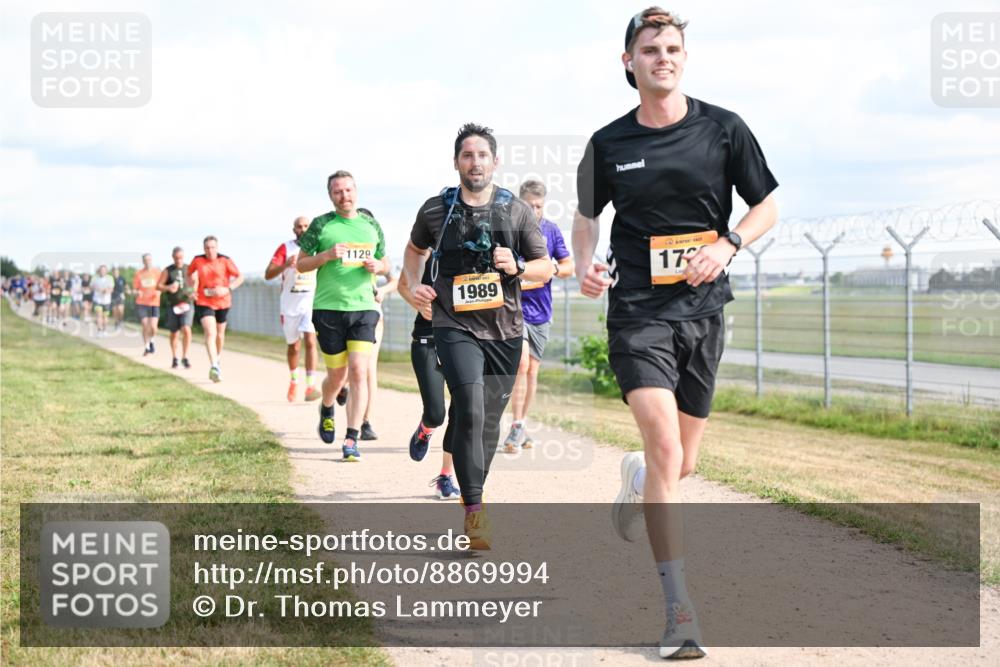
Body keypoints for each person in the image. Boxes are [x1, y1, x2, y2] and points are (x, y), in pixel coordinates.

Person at [573, 8, 779, 659]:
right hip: (637, 313)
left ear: (683, 58)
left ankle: (639, 476)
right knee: (666, 446)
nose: (663, 57)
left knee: (680, 463)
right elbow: (583, 216)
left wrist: (729, 243)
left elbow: (768, 202)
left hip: (704, 312)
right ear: (628, 62)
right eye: (650, 48)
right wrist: (584, 260)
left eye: (672, 47)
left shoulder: (724, 128)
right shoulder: (607, 143)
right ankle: (679, 611)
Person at [403, 123, 552, 548]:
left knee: (487, 424)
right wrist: (416, 287)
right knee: (467, 405)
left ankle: (473, 493)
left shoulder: (517, 211)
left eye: (482, 155)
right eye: (467, 156)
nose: (475, 162)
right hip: (453, 324)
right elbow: (413, 252)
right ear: (456, 163)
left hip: (506, 330)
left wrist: (519, 268)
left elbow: (546, 268)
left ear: (495, 162)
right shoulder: (436, 210)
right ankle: (475, 510)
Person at [297, 171, 390, 461]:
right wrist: (325, 256)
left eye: (348, 190)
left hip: (363, 308)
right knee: (337, 377)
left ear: (356, 191)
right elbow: (300, 264)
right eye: (338, 191)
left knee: (359, 371)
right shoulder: (321, 225)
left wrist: (378, 266)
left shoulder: (371, 225)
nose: (344, 196)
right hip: (329, 310)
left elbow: (386, 261)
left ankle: (352, 438)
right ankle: (326, 406)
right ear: (330, 195)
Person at [502, 180, 574, 452]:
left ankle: (521, 424)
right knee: (520, 365)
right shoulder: (509, 231)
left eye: (538, 206)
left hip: (541, 312)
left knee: (532, 370)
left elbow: (569, 266)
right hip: (513, 309)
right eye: (528, 205)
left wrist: (550, 270)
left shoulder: (551, 231)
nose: (534, 211)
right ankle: (516, 427)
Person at [399, 264, 461, 500]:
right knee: (436, 414)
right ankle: (425, 430)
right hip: (428, 340)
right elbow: (402, 285)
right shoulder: (426, 251)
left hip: (464, 341)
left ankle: (446, 476)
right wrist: (418, 304)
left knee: (462, 410)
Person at [265, 216, 321, 401]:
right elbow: (268, 274)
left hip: (310, 302)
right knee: (294, 346)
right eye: (300, 226)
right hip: (289, 304)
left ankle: (310, 386)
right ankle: (294, 380)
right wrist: (285, 265)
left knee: (311, 341)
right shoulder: (286, 248)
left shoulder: (317, 246)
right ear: (294, 229)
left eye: (306, 226)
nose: (303, 229)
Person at [188, 236, 243, 382]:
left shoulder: (225, 260)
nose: (210, 250)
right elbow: (189, 274)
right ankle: (214, 366)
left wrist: (227, 289)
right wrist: (191, 289)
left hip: (223, 302)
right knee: (210, 332)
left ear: (217, 248)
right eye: (207, 248)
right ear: (203, 248)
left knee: (220, 334)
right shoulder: (197, 260)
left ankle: (217, 359)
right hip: (204, 301)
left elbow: (240, 277)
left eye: (212, 247)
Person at [157, 246, 195, 369]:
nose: (179, 260)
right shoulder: (168, 270)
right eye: (176, 258)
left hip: (187, 304)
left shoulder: (189, 269)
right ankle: (175, 357)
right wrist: (168, 288)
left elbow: (196, 282)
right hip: (173, 305)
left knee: (186, 329)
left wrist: (192, 292)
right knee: (174, 333)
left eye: (181, 258)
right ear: (173, 257)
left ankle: (185, 356)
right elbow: (159, 286)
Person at [133, 254, 162, 356]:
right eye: (145, 260)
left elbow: (161, 286)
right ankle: (147, 347)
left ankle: (152, 340)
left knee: (153, 327)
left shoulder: (157, 273)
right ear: (143, 261)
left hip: (154, 302)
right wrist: (137, 292)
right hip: (142, 303)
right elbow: (135, 288)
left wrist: (159, 292)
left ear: (152, 260)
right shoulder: (139, 274)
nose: (148, 261)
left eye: (149, 259)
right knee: (145, 325)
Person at [91, 265, 114, 337]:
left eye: (104, 270)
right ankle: (99, 330)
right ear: (99, 271)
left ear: (106, 271)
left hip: (106, 301)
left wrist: (106, 291)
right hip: (97, 300)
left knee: (105, 317)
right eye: (101, 270)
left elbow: (111, 289)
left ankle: (104, 330)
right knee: (99, 315)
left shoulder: (110, 278)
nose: (102, 272)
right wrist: (98, 289)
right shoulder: (95, 278)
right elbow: (92, 287)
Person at [111, 267, 128, 331]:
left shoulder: (122, 278)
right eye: (114, 272)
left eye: (116, 271)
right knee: (115, 311)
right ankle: (116, 323)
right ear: (113, 272)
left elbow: (126, 286)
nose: (115, 273)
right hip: (113, 297)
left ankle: (121, 321)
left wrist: (127, 290)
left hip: (121, 296)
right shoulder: (111, 279)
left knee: (120, 310)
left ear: (118, 272)